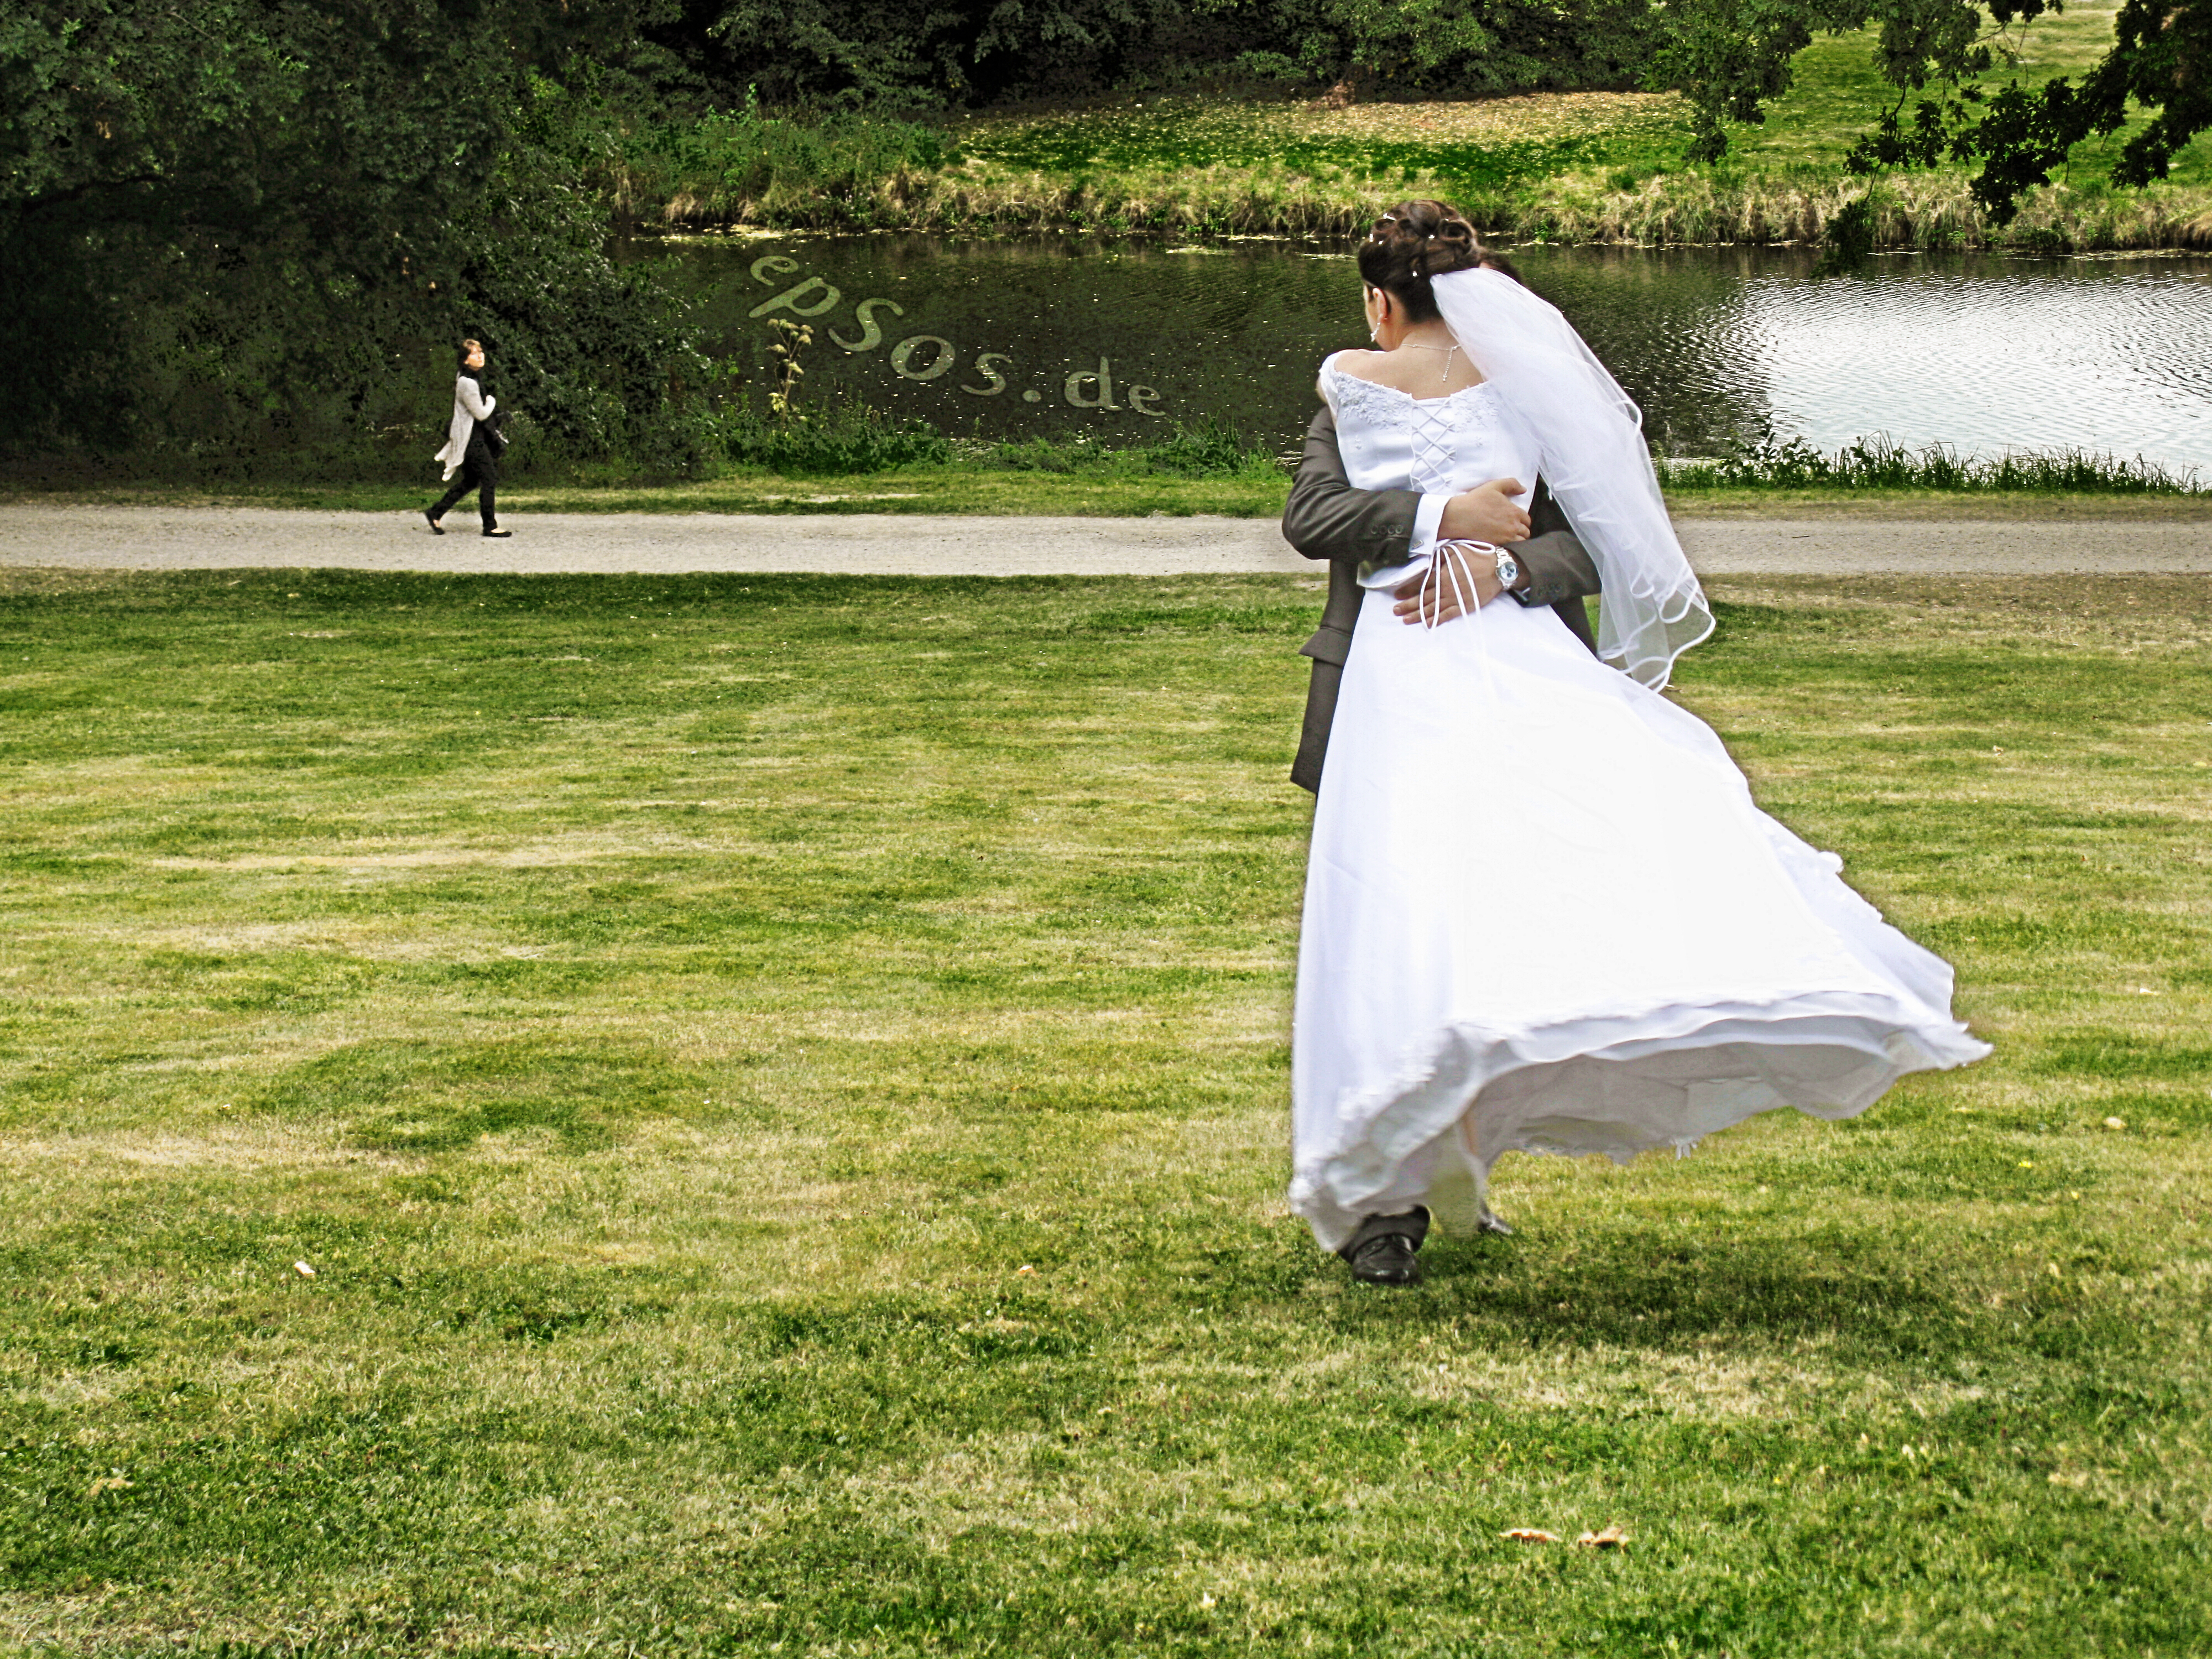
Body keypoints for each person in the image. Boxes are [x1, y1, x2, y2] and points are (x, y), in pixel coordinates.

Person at [1282, 201, 1988, 1286]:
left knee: (1482, 900)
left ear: (1380, 300)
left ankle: (1425, 1152)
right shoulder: (1348, 393)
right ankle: (1386, 1198)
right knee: (1390, 902)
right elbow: (1314, 517)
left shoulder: (1525, 396)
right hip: (1386, 683)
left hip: (1505, 668)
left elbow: (1594, 537)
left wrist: (1506, 565)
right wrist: (1442, 520)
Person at [426, 338, 511, 538]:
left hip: (477, 435)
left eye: (481, 351)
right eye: (474, 353)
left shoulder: (473, 377)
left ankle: (436, 512)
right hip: (471, 438)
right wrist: (492, 400)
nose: (480, 355)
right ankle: (490, 526)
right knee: (489, 478)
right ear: (465, 360)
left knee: (472, 480)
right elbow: (481, 413)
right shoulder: (467, 382)